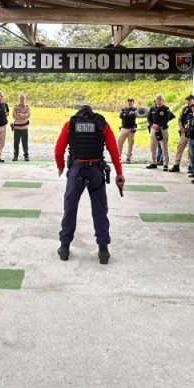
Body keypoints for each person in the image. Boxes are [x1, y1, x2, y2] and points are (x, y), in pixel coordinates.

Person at [54, 103, 125, 264]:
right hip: (97, 171)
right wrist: (119, 173)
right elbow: (114, 150)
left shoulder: (70, 124)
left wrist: (60, 166)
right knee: (100, 210)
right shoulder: (102, 124)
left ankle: (64, 247)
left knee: (70, 208)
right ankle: (103, 251)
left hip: (77, 170)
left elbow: (58, 150)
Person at [146, 94, 174, 171]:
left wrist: (159, 125)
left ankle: (165, 164)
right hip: (153, 129)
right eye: (157, 99)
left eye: (160, 99)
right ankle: (153, 162)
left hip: (162, 129)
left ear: (163, 100)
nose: (159, 100)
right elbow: (148, 118)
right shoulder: (152, 109)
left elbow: (166, 119)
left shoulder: (166, 109)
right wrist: (152, 125)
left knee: (164, 147)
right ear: (155, 100)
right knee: (153, 147)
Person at [169, 95, 194, 173]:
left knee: (191, 150)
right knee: (179, 148)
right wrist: (181, 128)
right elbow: (179, 119)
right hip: (184, 132)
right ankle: (176, 164)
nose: (189, 101)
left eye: (190, 100)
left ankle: (191, 165)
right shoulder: (185, 109)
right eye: (188, 100)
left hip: (193, 133)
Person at [117, 97, 139, 163]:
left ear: (133, 102)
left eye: (131, 101)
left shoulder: (135, 109)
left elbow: (133, 116)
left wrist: (125, 115)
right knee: (120, 142)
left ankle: (128, 158)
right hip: (124, 128)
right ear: (126, 102)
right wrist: (129, 115)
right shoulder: (123, 109)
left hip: (131, 129)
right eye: (128, 101)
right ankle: (118, 156)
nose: (129, 102)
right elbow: (121, 116)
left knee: (130, 144)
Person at [12, 93, 31, 161]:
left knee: (25, 143)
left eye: (23, 98)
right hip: (17, 128)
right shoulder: (15, 107)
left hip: (24, 128)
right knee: (16, 143)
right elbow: (14, 116)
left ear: (25, 99)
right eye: (21, 98)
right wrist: (23, 116)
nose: (22, 99)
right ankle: (15, 156)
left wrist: (20, 115)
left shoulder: (27, 107)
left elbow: (28, 115)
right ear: (19, 99)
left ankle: (26, 156)